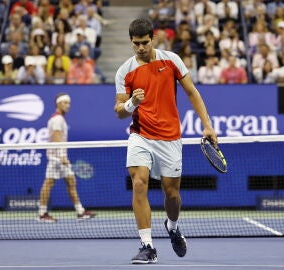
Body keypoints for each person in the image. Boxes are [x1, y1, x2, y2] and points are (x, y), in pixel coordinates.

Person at [114, 18, 218, 264]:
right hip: (140, 135)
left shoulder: (171, 60)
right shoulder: (124, 71)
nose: (141, 47)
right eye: (136, 43)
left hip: (170, 137)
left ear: (153, 39)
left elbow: (192, 92)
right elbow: (119, 110)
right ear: (131, 41)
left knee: (172, 195)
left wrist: (207, 125)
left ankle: (172, 226)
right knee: (139, 182)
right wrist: (132, 103)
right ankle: (147, 246)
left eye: (145, 43)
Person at [38, 93, 96, 222]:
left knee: (71, 182)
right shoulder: (57, 119)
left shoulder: (59, 119)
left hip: (59, 157)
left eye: (69, 103)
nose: (68, 105)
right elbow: (57, 136)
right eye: (65, 103)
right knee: (48, 184)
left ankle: (80, 211)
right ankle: (42, 213)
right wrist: (61, 156)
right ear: (58, 104)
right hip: (56, 158)